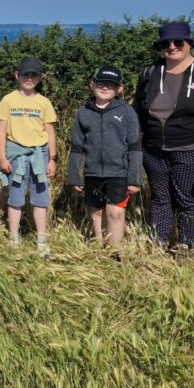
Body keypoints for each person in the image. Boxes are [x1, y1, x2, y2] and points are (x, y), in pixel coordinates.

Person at [134, 21, 194, 260]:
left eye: (179, 42)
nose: (172, 47)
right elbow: (136, 112)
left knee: (188, 199)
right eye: (166, 43)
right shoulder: (150, 72)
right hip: (153, 149)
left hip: (192, 149)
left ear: (189, 43)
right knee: (160, 199)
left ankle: (186, 247)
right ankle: (158, 245)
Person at [68, 66, 142, 255]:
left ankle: (114, 254)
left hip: (119, 173)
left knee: (115, 213)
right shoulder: (83, 112)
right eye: (101, 83)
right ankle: (99, 250)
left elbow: (134, 146)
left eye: (111, 84)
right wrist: (75, 175)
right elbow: (77, 147)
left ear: (120, 89)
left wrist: (134, 178)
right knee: (97, 213)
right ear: (92, 85)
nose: (105, 87)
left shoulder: (127, 112)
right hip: (92, 172)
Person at [0, 57, 57, 257]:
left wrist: (52, 159)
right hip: (16, 154)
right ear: (17, 75)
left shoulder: (44, 102)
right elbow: (2, 131)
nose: (29, 78)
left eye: (33, 75)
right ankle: (14, 238)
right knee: (15, 198)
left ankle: (41, 239)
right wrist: (2, 157)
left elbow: (50, 131)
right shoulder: (8, 99)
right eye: (25, 74)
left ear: (40, 77)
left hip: (40, 154)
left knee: (40, 199)